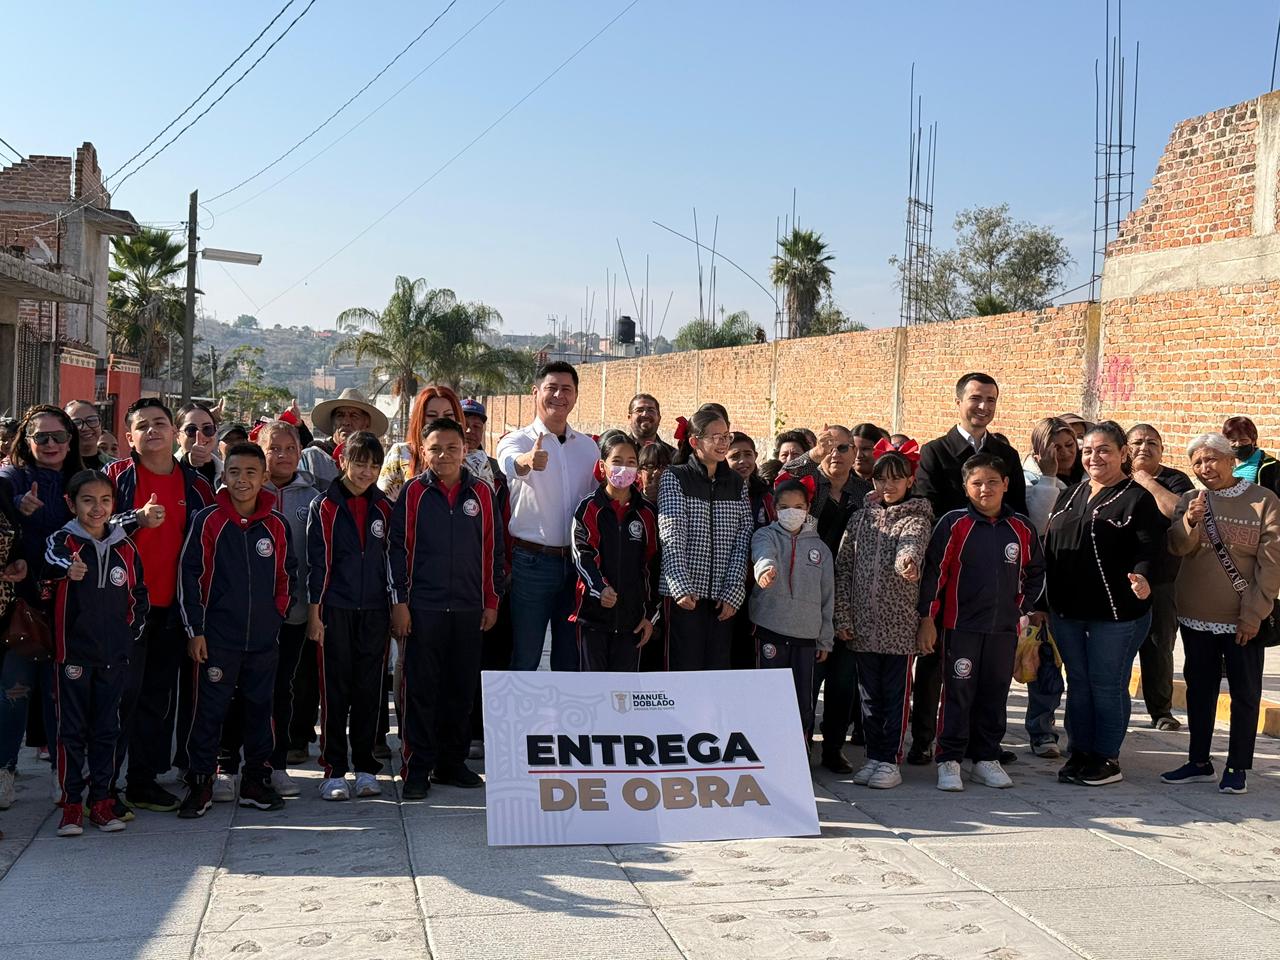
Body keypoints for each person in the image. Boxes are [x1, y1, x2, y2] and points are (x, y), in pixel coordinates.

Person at [909, 373, 1027, 766]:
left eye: (991, 400)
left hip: (994, 573)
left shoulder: (1005, 454)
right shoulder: (936, 452)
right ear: (959, 401)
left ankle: (983, 746)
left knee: (988, 669)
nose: (983, 407)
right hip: (948, 569)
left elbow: (1017, 511)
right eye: (976, 399)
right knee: (935, 661)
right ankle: (926, 739)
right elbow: (927, 507)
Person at [178, 442, 297, 818]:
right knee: (209, 711)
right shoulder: (208, 520)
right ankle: (201, 782)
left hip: (263, 640)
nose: (242, 480)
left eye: (250, 473)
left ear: (264, 477)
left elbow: (286, 576)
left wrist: (276, 615)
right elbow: (191, 577)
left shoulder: (276, 524)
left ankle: (255, 781)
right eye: (234, 472)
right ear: (223, 476)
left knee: (262, 710)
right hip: (217, 639)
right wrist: (196, 630)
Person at [105, 398, 212, 813]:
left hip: (173, 609)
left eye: (161, 423)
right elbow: (90, 527)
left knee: (157, 699)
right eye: (143, 425)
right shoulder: (115, 477)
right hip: (122, 608)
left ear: (173, 432)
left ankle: (142, 782)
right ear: (129, 437)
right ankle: (104, 786)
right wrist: (134, 518)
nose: (153, 430)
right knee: (121, 698)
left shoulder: (197, 485)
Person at [1044, 421, 1165, 787]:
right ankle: (1080, 752)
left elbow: (1150, 547)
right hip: (1067, 610)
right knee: (1078, 682)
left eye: (1104, 450)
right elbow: (1050, 550)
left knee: (1107, 683)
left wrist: (1143, 577)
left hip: (1116, 613)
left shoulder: (1136, 498)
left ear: (1123, 454)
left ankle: (1106, 758)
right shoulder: (1070, 495)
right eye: (1088, 451)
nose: (1094, 457)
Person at [389, 417, 504, 798]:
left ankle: (452, 763)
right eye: (435, 448)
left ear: (465, 451)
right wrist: (400, 603)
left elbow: (493, 551)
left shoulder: (483, 494)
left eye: (451, 448)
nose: (443, 455)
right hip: (424, 608)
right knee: (421, 689)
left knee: (461, 688)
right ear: (423, 451)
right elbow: (397, 551)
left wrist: (491, 601)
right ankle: (417, 766)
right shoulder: (413, 493)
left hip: (471, 608)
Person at [918, 453, 1045, 791]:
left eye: (992, 482)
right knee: (958, 692)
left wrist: (1021, 608)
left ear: (1006, 484)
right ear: (965, 487)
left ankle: (986, 758)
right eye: (976, 483)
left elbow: (1036, 573)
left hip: (1003, 631)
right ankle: (950, 759)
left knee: (994, 693)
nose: (985, 489)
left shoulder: (1020, 528)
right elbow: (935, 574)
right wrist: (928, 619)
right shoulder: (953, 524)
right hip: (960, 628)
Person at [1162, 433, 1280, 795]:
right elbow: (1176, 547)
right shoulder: (1190, 500)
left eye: (1212, 459)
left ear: (1232, 461)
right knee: (1200, 690)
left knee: (1245, 693)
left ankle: (1237, 766)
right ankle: (1198, 761)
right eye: (1197, 462)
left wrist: (1254, 612)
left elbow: (1272, 561)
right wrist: (1190, 522)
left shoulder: (1264, 500)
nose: (1204, 468)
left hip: (1243, 618)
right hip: (1196, 615)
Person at [216, 420, 319, 801]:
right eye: (274, 448)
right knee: (233, 691)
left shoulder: (313, 495)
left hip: (290, 612)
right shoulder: (231, 495)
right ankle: (227, 765)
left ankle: (273, 765)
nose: (284, 455)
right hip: (238, 616)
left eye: (290, 448)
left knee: (279, 690)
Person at [45, 470, 148, 836]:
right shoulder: (63, 542)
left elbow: (138, 596)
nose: (97, 508)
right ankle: (71, 804)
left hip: (114, 656)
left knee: (108, 729)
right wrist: (65, 569)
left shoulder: (125, 547)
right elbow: (49, 563)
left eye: (105, 500)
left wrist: (129, 634)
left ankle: (101, 801)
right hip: (73, 655)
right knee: (71, 730)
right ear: (72, 504)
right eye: (88, 500)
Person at [834, 441, 933, 789]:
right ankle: (874, 757)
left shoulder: (917, 518)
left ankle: (891, 759)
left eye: (896, 479)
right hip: (862, 627)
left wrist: (907, 563)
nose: (887, 486)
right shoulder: (860, 520)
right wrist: (843, 617)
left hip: (898, 628)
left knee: (894, 697)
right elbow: (843, 568)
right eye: (881, 479)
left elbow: (912, 547)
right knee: (869, 698)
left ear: (909, 481)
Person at [0, 405, 85, 807]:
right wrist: (16, 505)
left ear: (70, 441)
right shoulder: (14, 477)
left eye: (58, 437)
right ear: (27, 441)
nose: (50, 444)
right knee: (13, 693)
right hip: (25, 607)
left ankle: (62, 775)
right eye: (41, 437)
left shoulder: (81, 479)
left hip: (72, 607)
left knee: (60, 697)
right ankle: (4, 773)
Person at [307, 431, 393, 801]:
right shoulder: (323, 506)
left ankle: (366, 767)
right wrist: (315, 613)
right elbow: (316, 563)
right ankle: (333, 769)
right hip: (334, 610)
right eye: (359, 463)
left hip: (374, 611)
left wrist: (394, 607)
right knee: (335, 689)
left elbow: (394, 562)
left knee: (369, 690)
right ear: (343, 461)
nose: (366, 472)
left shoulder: (385, 507)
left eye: (374, 465)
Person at [496, 362, 599, 671]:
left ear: (576, 395)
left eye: (566, 389)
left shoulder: (589, 448)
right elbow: (510, 464)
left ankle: (563, 721)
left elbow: (597, 503)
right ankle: (520, 721)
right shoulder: (516, 440)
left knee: (569, 658)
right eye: (551, 388)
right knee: (526, 656)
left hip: (576, 566)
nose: (558, 395)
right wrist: (528, 461)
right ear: (535, 392)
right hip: (532, 564)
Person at [781, 424, 873, 770]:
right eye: (828, 446)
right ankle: (799, 744)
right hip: (806, 593)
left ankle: (833, 747)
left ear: (855, 454)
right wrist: (812, 455)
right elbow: (781, 478)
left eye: (844, 447)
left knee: (843, 680)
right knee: (806, 679)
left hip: (847, 597)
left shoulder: (864, 493)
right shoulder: (806, 484)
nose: (837, 453)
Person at [658, 407, 752, 670]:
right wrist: (680, 585)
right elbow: (671, 533)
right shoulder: (675, 477)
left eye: (726, 436)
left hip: (723, 596)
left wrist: (734, 589)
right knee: (681, 668)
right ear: (695, 441)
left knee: (716, 669)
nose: (722, 443)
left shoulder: (736, 483)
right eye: (715, 437)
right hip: (685, 597)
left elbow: (743, 536)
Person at [751, 476, 833, 749]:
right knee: (767, 697)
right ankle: (767, 751)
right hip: (770, 629)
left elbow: (827, 596)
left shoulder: (820, 549)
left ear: (808, 508)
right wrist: (765, 570)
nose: (792, 512)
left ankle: (799, 752)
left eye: (799, 506)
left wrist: (825, 637)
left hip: (806, 636)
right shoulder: (766, 535)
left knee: (802, 700)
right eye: (785, 507)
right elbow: (763, 554)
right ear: (775, 509)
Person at [1127, 423, 1195, 731]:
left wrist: (1145, 480)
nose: (1144, 447)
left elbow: (1176, 512)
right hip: (1120, 580)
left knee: (1159, 648)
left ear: (1162, 450)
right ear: (1126, 448)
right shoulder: (1114, 477)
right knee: (1115, 648)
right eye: (1137, 442)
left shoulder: (1175, 480)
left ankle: (1161, 711)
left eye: (1151, 443)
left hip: (1163, 580)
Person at [569, 433, 657, 670]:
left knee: (623, 694)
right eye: (617, 461)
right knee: (593, 690)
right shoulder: (589, 508)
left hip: (633, 621)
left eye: (631, 462)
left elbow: (653, 566)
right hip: (593, 617)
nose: (623, 468)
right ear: (602, 466)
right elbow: (583, 555)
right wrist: (600, 588)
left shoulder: (647, 513)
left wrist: (649, 615)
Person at [460, 397, 513, 759]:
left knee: (491, 655)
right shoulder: (441, 465)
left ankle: (482, 728)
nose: (471, 429)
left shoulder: (495, 470)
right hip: (455, 578)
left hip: (491, 574)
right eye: (465, 421)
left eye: (478, 423)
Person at [727, 432, 776, 669]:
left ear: (757, 457)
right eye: (734, 456)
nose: (742, 461)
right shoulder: (719, 493)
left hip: (757, 587)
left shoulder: (765, 496)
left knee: (749, 653)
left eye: (748, 454)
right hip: (724, 585)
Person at [0, 474, 29, 810]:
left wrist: (18, 560)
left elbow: (14, 540)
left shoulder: (2, 487)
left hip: (5, 611)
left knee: (9, 695)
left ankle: (4, 771)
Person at [379, 386, 464, 502]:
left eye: (448, 415)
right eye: (432, 416)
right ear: (420, 419)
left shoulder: (476, 461)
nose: (440, 421)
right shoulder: (400, 453)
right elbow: (383, 504)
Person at [304, 388, 389, 490]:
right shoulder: (313, 457)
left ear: (366, 424)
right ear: (332, 422)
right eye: (340, 415)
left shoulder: (373, 460)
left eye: (354, 416)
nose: (346, 422)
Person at [1022, 418, 1074, 535]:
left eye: (1069, 445)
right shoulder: (1028, 481)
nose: (1065, 453)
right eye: (1056, 448)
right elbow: (1037, 528)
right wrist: (1048, 477)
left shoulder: (1087, 472)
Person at [1222, 415, 1280, 494]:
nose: (1238, 444)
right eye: (1233, 440)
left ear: (1253, 440)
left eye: (1243, 440)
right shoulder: (1222, 463)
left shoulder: (1271, 466)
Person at [175, 401, 221, 488]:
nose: (200, 436)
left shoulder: (227, 472)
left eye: (207, 428)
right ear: (177, 436)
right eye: (191, 430)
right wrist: (188, 461)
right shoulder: (165, 472)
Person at [65, 400, 112, 470]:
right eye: (76, 423)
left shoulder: (115, 468)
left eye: (92, 420)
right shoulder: (58, 466)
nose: (85, 428)